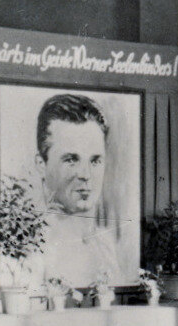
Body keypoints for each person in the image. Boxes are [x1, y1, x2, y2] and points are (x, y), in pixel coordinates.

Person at [33, 94, 122, 290]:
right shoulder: (32, 248)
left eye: (95, 161)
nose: (85, 175)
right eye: (71, 160)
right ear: (41, 164)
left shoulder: (106, 245)